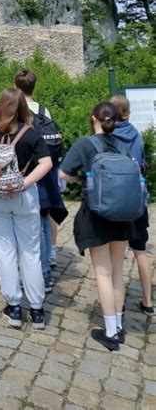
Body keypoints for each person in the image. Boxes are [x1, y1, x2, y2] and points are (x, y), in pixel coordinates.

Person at [59, 101, 139, 351]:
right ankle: (119, 323)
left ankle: (111, 332)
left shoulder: (85, 144)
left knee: (102, 272)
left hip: (97, 215)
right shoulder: (123, 145)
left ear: (93, 118)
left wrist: (80, 178)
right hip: (124, 214)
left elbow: (64, 174)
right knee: (117, 271)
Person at [0, 88, 52, 329]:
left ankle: (14, 307)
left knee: (5, 250)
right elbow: (46, 163)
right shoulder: (30, 134)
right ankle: (37, 309)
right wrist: (22, 183)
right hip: (24, 195)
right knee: (31, 251)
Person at [14, 68, 67, 291]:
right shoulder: (45, 111)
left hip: (27, 174)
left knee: (26, 227)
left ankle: (32, 273)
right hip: (46, 174)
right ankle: (45, 272)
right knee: (44, 223)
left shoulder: (18, 111)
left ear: (16, 87)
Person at [111, 95, 153, 316]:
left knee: (115, 257)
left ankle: (117, 303)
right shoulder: (136, 134)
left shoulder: (108, 136)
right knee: (140, 251)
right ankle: (147, 301)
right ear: (127, 112)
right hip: (137, 199)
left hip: (117, 200)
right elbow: (142, 163)